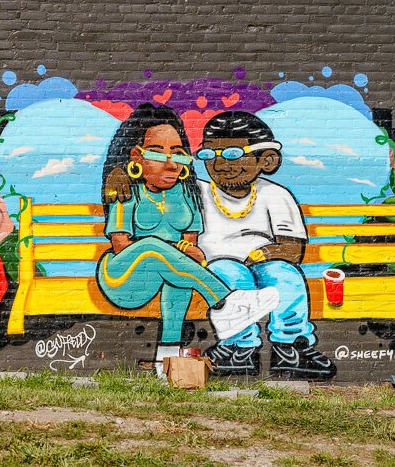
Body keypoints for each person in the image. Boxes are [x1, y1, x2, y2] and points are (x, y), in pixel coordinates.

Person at [96, 105, 278, 366]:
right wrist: (176, 251)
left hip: (165, 273)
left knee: (178, 278)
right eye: (158, 154)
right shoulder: (127, 191)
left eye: (178, 154)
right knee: (152, 248)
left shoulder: (187, 194)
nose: (171, 163)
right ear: (136, 156)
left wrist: (190, 252)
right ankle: (225, 302)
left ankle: (166, 357)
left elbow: (190, 245)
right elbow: (120, 245)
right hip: (123, 277)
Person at [195, 110, 334, 379]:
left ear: (266, 159)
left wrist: (261, 255)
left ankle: (292, 346)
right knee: (229, 275)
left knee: (286, 275)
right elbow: (153, 179)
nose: (221, 163)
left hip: (264, 263)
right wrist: (117, 175)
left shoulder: (275, 194)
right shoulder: (197, 190)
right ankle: (239, 347)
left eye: (234, 154)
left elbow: (292, 248)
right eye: (210, 155)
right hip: (218, 266)